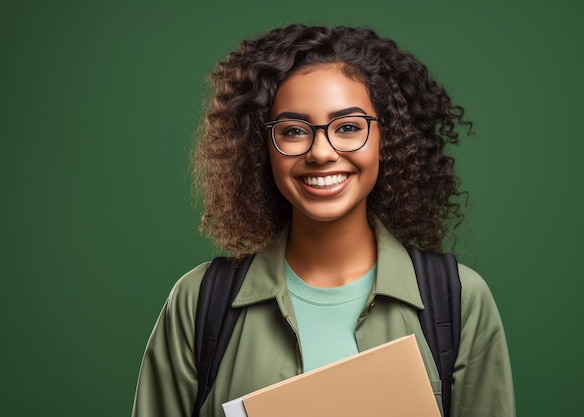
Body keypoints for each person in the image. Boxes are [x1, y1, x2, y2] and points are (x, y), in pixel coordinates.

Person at [131, 24, 516, 417]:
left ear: (388, 139)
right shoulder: (199, 303)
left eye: (348, 127)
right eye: (294, 131)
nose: (321, 152)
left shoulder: (458, 301)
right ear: (262, 148)